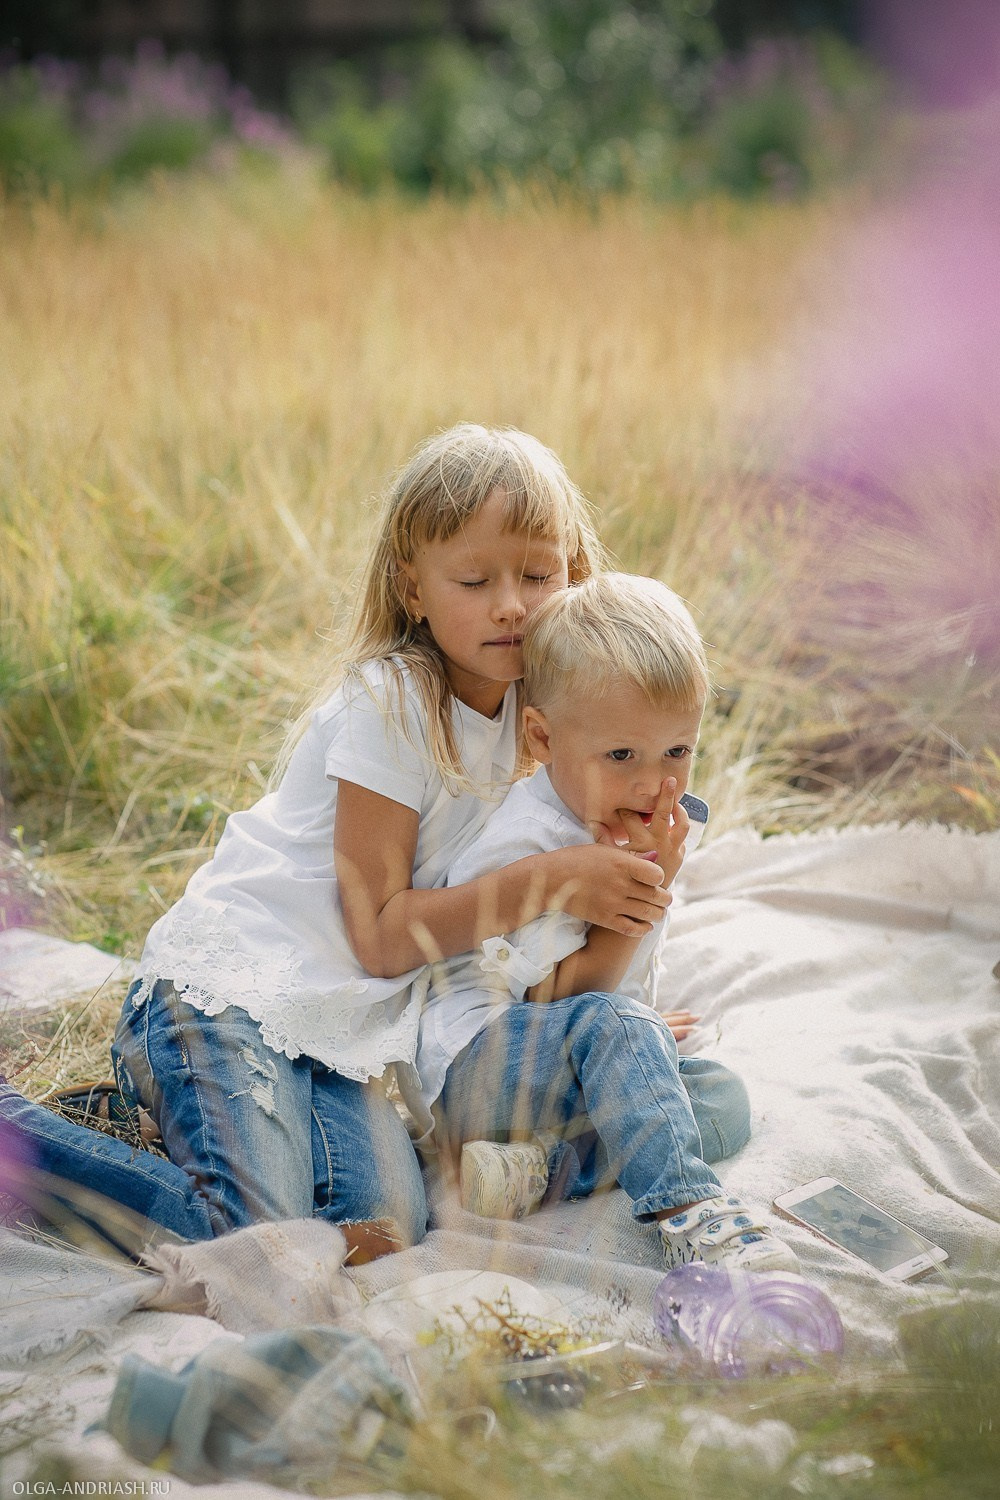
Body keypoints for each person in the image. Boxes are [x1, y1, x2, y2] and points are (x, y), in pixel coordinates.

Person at [0, 425, 681, 1256]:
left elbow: (529, 948)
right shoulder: (393, 701)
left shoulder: (548, 718)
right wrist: (557, 879)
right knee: (254, 1239)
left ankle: (150, 1128)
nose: (511, 603)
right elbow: (384, 936)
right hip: (235, 991)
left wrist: (619, 955)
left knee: (377, 1235)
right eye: (474, 578)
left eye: (538, 575)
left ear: (572, 572)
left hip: (354, 1039)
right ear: (414, 588)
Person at [400, 573, 797, 1272]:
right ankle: (690, 1213)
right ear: (544, 736)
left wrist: (626, 1034)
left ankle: (544, 1170)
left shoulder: (627, 816)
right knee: (622, 1035)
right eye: (622, 756)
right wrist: (619, 1017)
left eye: (678, 752)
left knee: (720, 1098)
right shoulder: (529, 844)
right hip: (480, 1066)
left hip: (559, 1057)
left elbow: (601, 1002)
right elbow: (556, 997)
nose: (654, 783)